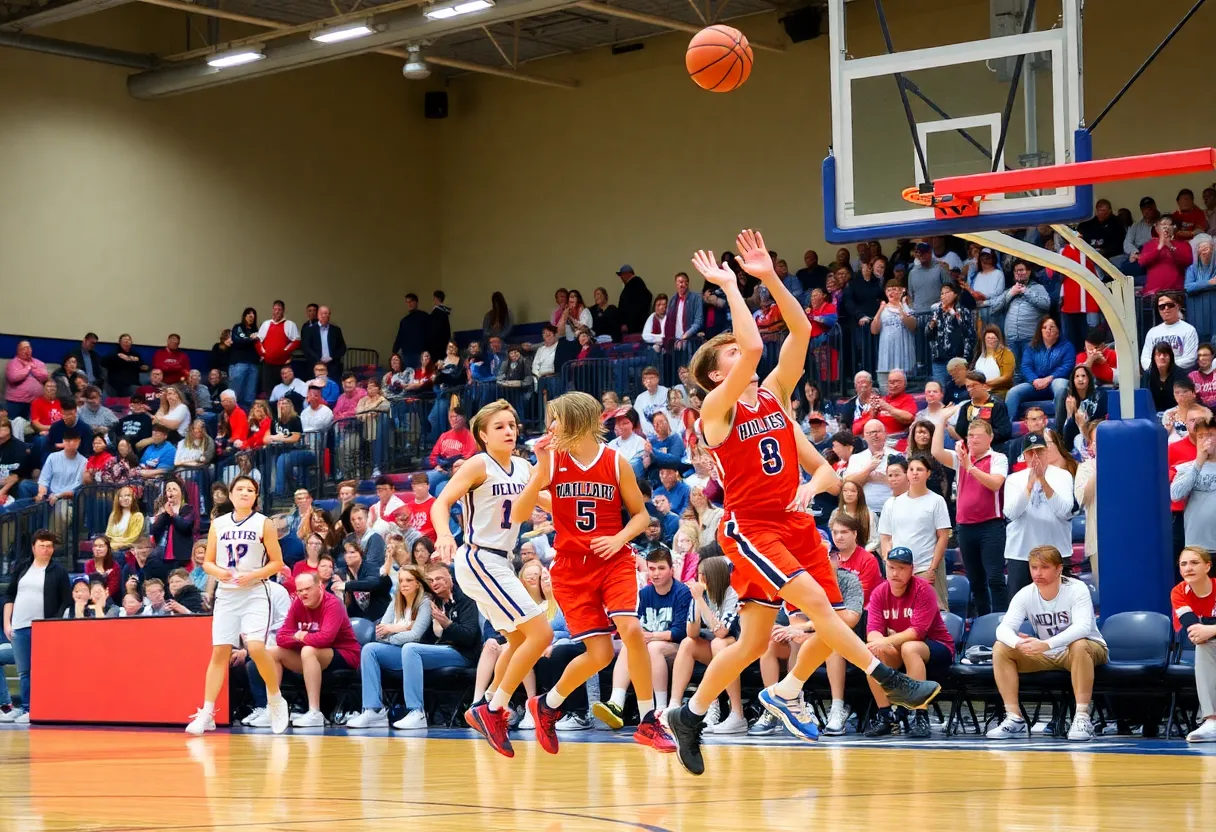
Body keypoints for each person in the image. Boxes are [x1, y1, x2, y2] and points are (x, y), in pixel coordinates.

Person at [665, 231, 938, 777]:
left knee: (759, 641)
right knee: (814, 604)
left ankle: (694, 713)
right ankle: (885, 678)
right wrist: (731, 286)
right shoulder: (716, 410)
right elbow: (757, 345)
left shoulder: (773, 393)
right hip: (752, 528)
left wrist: (767, 276)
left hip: (793, 522)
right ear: (717, 374)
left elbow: (799, 329)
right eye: (729, 352)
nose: (739, 350)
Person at [510, 391, 674, 756]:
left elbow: (642, 516)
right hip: (571, 568)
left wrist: (618, 539)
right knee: (599, 655)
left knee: (631, 630)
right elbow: (521, 514)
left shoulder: (616, 462)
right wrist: (539, 468)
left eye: (556, 419)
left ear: (577, 423)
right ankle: (548, 704)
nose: (550, 427)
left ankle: (649, 720)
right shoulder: (551, 462)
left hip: (613, 559)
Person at [426, 400, 553, 758]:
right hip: (480, 557)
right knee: (540, 633)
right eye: (499, 426)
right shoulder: (478, 464)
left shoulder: (524, 466)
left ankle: (484, 704)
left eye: (512, 424)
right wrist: (444, 535)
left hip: (500, 561)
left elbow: (544, 498)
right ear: (482, 435)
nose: (509, 431)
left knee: (515, 640)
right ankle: (493, 708)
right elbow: (440, 503)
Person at [185, 476, 291, 736]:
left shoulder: (264, 523)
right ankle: (208, 712)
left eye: (251, 490)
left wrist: (253, 574)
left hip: (255, 591)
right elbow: (207, 561)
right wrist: (218, 572)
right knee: (219, 652)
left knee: (255, 647)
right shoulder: (218, 524)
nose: (245, 493)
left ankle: (275, 699)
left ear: (256, 496)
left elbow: (277, 562)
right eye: (240, 489)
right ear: (230, 495)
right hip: (227, 594)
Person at [987, 545, 1107, 742]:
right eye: (1034, 568)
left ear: (1059, 569)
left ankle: (1082, 717)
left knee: (1078, 643)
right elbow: (1003, 629)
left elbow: (1083, 627)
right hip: (1049, 652)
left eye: (1044, 567)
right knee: (1001, 648)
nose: (1037, 573)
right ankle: (1014, 718)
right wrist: (1018, 644)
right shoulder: (1026, 594)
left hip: (1090, 649)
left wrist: (1046, 644)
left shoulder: (1077, 588)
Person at [863, 547, 956, 738]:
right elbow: (872, 632)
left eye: (901, 568)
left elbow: (917, 632)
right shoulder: (880, 592)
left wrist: (887, 640)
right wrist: (881, 644)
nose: (895, 573)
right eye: (891, 567)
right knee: (871, 656)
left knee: (910, 647)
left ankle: (920, 715)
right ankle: (886, 716)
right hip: (899, 647)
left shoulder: (924, 590)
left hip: (937, 648)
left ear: (912, 569)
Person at [932, 417, 1008, 615]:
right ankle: (983, 620)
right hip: (965, 526)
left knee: (995, 578)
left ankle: (1001, 620)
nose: (973, 440)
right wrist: (940, 422)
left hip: (991, 524)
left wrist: (970, 467)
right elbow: (936, 452)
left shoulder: (998, 458)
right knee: (976, 580)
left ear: (989, 438)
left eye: (978, 436)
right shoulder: (961, 458)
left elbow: (995, 484)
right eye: (970, 436)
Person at [345, 565, 434, 730]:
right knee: (370, 649)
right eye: (401, 580)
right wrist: (403, 628)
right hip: (399, 651)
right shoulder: (396, 601)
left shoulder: (425, 603)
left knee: (409, 647)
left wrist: (393, 630)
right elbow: (379, 632)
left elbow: (416, 636)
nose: (404, 584)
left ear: (418, 584)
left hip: (417, 654)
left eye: (409, 580)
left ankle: (417, 712)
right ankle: (374, 710)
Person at [271, 570, 362, 728]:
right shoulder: (298, 603)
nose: (303, 594)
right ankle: (272, 710)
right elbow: (281, 637)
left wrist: (301, 636)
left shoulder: (333, 604)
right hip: (314, 655)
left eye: (308, 589)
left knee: (308, 650)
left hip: (345, 655)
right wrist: (300, 638)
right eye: (300, 590)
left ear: (319, 586)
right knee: (272, 652)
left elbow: (325, 638)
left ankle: (315, 712)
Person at [2, 530, 71, 724]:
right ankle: (25, 708)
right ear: (33, 548)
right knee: (24, 670)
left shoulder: (58, 571)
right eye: (42, 546)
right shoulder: (23, 567)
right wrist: (7, 623)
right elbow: (9, 595)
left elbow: (65, 601)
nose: (46, 550)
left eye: (49, 546)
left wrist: (52, 624)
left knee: (41, 669)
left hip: (43, 627)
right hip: (19, 626)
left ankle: (38, 708)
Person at [669, 556, 744, 733]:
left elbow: (722, 631)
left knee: (719, 643)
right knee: (688, 644)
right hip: (715, 649)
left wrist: (700, 600)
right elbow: (691, 633)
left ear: (712, 576)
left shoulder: (732, 593)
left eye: (701, 574)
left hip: (739, 647)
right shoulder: (700, 594)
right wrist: (696, 600)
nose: (698, 578)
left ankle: (737, 714)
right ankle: (674, 704)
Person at [1003, 433, 1074, 599]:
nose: (1036, 456)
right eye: (1030, 453)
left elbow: (1064, 511)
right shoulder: (1014, 479)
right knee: (1021, 609)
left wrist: (1042, 480)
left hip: (1056, 552)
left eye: (1040, 451)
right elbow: (1011, 513)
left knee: (1059, 607)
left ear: (1047, 452)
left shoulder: (1063, 476)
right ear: (1024, 456)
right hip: (1021, 554)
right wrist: (1029, 485)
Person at [877, 455, 951, 610]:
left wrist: (932, 569)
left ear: (928, 473)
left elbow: (943, 537)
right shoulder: (892, 503)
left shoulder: (936, 501)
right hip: (899, 570)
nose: (915, 473)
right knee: (901, 615)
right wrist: (889, 565)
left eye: (920, 469)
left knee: (934, 613)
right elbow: (885, 537)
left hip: (926, 567)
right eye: (911, 469)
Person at [1171, 547, 1216, 742]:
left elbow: (1205, 629)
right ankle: (1212, 722)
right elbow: (1194, 629)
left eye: (1194, 563)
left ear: (1207, 566)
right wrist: (1208, 630)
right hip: (1208, 644)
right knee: (1203, 645)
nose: (1188, 568)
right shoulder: (1179, 591)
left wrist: (1212, 629)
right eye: (1184, 564)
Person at [1005, 316, 1073, 420]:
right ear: (1040, 331)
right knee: (1013, 392)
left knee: (1061, 388)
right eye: (1044, 327)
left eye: (1051, 327)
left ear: (1058, 331)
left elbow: (1067, 366)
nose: (1048, 330)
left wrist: (1050, 378)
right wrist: (1034, 379)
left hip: (1055, 380)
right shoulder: (1031, 347)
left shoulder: (1067, 346)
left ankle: (1060, 425)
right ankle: (1008, 426)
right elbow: (1026, 366)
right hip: (1035, 383)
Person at [1170, 419, 1216, 551]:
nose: (1206, 440)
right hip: (1198, 548)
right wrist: (1199, 462)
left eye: (1210, 435)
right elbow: (1175, 495)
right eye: (1201, 436)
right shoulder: (1186, 468)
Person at [1141, 291, 1198, 372]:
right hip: (1156, 376)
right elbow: (1145, 358)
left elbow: (1190, 358)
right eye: (1162, 306)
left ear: (1178, 307)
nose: (1166, 308)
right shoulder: (1152, 332)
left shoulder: (1189, 329)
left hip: (1180, 376)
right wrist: (1157, 368)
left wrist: (1167, 367)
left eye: (1170, 305)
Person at [301, 305, 347, 379]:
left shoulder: (336, 330)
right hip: (315, 365)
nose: (325, 316)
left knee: (333, 387)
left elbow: (342, 348)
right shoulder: (309, 330)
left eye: (327, 314)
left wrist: (332, 357)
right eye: (322, 313)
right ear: (318, 315)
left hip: (333, 365)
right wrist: (318, 358)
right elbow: (306, 347)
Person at [973, 325, 1016, 398]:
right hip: (980, 390)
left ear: (998, 340)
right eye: (988, 338)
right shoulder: (980, 354)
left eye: (993, 338)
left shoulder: (1006, 353)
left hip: (998, 391)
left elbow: (1007, 377)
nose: (990, 341)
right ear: (984, 339)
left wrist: (986, 384)